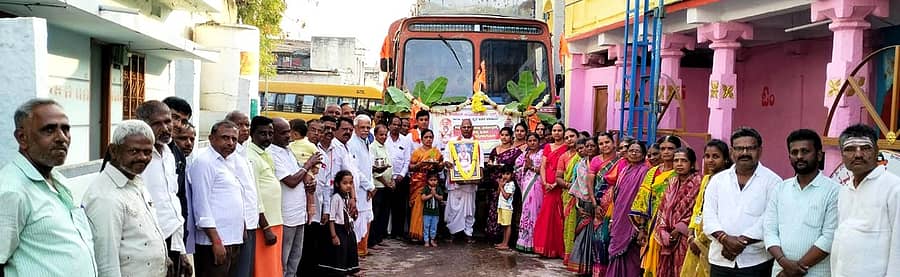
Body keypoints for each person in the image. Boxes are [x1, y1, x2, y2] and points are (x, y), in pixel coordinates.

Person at [1, 99, 97, 277]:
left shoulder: (58, 180)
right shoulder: (11, 190)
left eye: (66, 129)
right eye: (49, 129)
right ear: (22, 138)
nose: (62, 138)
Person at [83, 120, 168, 277]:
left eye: (148, 152)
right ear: (114, 151)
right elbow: (106, 263)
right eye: (134, 151)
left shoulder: (135, 181)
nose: (142, 157)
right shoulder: (105, 197)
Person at [703, 127, 781, 277]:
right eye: (739, 148)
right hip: (720, 260)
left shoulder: (773, 181)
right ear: (732, 152)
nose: (744, 153)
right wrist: (725, 239)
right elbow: (709, 215)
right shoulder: (718, 180)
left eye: (750, 148)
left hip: (756, 261)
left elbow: (770, 218)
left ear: (760, 150)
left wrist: (739, 243)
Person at [764, 129, 839, 277]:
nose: (799, 156)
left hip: (816, 272)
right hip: (780, 272)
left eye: (805, 151)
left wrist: (794, 270)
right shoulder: (780, 188)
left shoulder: (834, 191)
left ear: (818, 155)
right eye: (794, 152)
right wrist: (784, 264)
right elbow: (769, 230)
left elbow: (829, 237)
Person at [831, 124, 900, 276]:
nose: (858, 154)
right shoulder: (844, 190)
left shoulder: (894, 188)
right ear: (842, 155)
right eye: (850, 149)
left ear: (876, 152)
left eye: (865, 148)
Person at [135, 100, 190, 275]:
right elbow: (135, 207)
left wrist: (181, 251)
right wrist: (159, 251)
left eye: (168, 121)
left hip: (172, 240)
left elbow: (173, 203)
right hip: (146, 245)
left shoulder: (169, 154)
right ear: (143, 125)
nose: (166, 128)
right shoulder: (134, 157)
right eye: (157, 123)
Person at [190, 121, 248, 277]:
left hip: (232, 238)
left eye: (234, 139)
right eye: (225, 138)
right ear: (211, 138)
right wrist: (216, 241)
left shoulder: (229, 161)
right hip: (214, 242)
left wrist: (241, 225)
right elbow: (201, 205)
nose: (230, 143)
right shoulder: (205, 162)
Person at [269, 118, 321, 277]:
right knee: (283, 259)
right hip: (286, 215)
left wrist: (310, 183)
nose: (289, 135)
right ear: (273, 134)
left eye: (289, 131)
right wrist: (308, 164)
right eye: (284, 132)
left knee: (295, 257)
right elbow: (291, 181)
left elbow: (299, 175)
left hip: (299, 213)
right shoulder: (272, 153)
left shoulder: (288, 150)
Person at [680, 139, 733, 277]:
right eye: (707, 156)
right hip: (695, 236)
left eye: (715, 156)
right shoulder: (706, 179)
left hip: (712, 239)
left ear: (726, 159)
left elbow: (720, 215)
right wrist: (691, 233)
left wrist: (700, 240)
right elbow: (698, 208)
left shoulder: (727, 182)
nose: (710, 160)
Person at [631, 135, 682, 276]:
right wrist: (642, 228)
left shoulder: (680, 173)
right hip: (651, 226)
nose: (666, 152)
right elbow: (642, 200)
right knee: (650, 266)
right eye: (663, 148)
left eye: (670, 148)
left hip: (671, 228)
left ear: (678, 150)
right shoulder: (652, 172)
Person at [651, 147, 703, 277]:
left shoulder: (699, 183)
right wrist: (663, 231)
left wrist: (680, 228)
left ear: (691, 164)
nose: (679, 164)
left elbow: (699, 210)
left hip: (688, 237)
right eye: (676, 160)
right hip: (668, 237)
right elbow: (663, 209)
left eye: (683, 161)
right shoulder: (672, 183)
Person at [244, 116, 284, 277]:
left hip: (275, 220)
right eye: (262, 133)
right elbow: (255, 196)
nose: (267, 137)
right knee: (264, 269)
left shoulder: (265, 153)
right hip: (264, 225)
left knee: (273, 267)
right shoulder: (251, 157)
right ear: (252, 134)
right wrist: (266, 227)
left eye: (270, 133)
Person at [224, 113, 261, 277]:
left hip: (251, 221)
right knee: (238, 270)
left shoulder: (244, 152)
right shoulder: (229, 155)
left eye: (247, 125)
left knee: (246, 268)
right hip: (240, 223)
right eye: (241, 125)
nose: (245, 129)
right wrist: (242, 221)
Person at [606, 140, 650, 277]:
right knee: (616, 251)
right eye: (631, 150)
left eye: (637, 151)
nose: (634, 153)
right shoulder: (624, 170)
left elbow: (644, 198)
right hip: (619, 217)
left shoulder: (645, 171)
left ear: (643, 154)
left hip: (633, 220)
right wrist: (613, 218)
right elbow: (618, 196)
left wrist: (641, 224)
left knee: (631, 254)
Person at [442, 119, 484, 243]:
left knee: (469, 209)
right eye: (464, 127)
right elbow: (446, 158)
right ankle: (453, 232)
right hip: (456, 183)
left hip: (469, 183)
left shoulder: (476, 144)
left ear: (472, 128)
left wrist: (480, 174)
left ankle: (468, 233)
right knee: (453, 208)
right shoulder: (452, 143)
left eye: (468, 127)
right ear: (460, 128)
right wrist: (447, 163)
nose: (466, 129)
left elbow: (480, 161)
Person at [533, 122, 569, 258]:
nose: (557, 133)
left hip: (559, 185)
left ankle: (557, 249)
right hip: (546, 185)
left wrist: (555, 183)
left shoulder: (566, 148)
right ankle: (544, 247)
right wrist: (545, 182)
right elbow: (543, 166)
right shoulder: (548, 147)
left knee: (558, 215)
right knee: (546, 214)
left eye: (559, 130)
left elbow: (566, 167)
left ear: (563, 132)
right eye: (554, 130)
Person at [566, 137, 600, 275]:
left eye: (593, 145)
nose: (590, 148)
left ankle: (594, 266)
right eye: (587, 146)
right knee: (582, 234)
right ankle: (581, 265)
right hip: (583, 202)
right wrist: (578, 202)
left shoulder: (601, 164)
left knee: (595, 235)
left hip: (598, 202)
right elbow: (578, 184)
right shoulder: (580, 164)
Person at [486, 127, 523, 244]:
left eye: (507, 135)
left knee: (507, 212)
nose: (504, 137)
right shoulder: (495, 150)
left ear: (511, 137)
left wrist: (507, 179)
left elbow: (518, 168)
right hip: (495, 185)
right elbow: (490, 166)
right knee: (495, 210)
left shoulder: (516, 152)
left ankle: (507, 239)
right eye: (502, 135)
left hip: (508, 186)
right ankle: (494, 236)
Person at [319, 170, 360, 276]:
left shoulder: (347, 197)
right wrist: (333, 236)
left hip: (347, 228)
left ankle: (349, 270)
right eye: (345, 183)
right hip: (338, 229)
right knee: (340, 252)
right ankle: (339, 271)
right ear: (337, 184)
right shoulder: (336, 198)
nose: (348, 186)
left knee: (349, 249)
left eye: (350, 183)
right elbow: (332, 219)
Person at [408, 129, 443, 242]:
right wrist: (420, 164)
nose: (428, 139)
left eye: (430, 137)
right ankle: (417, 234)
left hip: (431, 182)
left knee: (431, 208)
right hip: (418, 182)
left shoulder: (434, 152)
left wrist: (438, 165)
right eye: (426, 137)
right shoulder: (417, 152)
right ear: (422, 139)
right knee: (418, 207)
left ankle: (430, 235)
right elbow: (411, 167)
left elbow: (439, 166)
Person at [349, 115, 376, 257]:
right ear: (355, 128)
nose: (366, 130)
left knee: (366, 218)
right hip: (358, 189)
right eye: (362, 127)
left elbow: (367, 167)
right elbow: (355, 170)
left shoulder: (366, 142)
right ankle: (356, 251)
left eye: (368, 127)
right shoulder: (352, 144)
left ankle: (362, 250)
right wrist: (369, 186)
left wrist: (370, 186)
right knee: (358, 221)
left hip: (367, 189)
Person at [556, 128, 581, 262]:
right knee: (569, 225)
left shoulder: (583, 154)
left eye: (572, 136)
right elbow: (558, 177)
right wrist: (569, 185)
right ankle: (569, 255)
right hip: (569, 194)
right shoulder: (564, 157)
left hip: (583, 195)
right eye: (566, 137)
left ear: (578, 137)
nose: (569, 139)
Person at [516, 133, 544, 252]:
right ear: (527, 142)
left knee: (536, 211)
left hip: (537, 185)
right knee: (526, 211)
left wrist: (531, 166)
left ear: (539, 141)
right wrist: (524, 168)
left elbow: (544, 170)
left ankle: (535, 243)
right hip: (526, 185)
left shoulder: (542, 154)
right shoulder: (524, 155)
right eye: (530, 140)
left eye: (534, 140)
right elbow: (517, 169)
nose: (532, 143)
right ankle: (524, 242)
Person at [385, 116, 413, 240]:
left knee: (400, 207)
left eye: (398, 125)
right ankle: (383, 232)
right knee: (385, 206)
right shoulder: (384, 138)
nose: (396, 127)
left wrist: (402, 174)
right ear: (389, 125)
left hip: (401, 178)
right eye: (394, 124)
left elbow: (407, 160)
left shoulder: (405, 140)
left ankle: (398, 233)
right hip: (385, 178)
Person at [369, 124, 393, 247]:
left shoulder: (385, 147)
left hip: (387, 186)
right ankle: (372, 239)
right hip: (378, 185)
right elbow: (374, 170)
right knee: (376, 213)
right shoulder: (372, 147)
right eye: (381, 134)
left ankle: (379, 237)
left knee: (384, 213)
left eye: (385, 134)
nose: (384, 137)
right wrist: (386, 182)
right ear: (375, 134)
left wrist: (391, 180)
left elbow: (389, 165)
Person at [494, 164, 516, 250]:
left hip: (507, 207)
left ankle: (506, 243)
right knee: (504, 226)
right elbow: (498, 193)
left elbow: (506, 196)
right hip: (502, 206)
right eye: (503, 174)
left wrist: (501, 187)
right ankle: (503, 242)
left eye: (507, 174)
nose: (505, 176)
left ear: (511, 175)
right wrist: (500, 186)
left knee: (507, 225)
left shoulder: (511, 184)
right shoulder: (504, 183)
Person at [422, 173, 445, 247]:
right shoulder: (426, 188)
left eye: (435, 180)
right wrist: (431, 195)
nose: (433, 182)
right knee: (426, 226)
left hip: (435, 213)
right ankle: (426, 240)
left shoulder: (438, 188)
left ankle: (432, 240)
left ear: (437, 181)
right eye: (431, 180)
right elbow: (423, 198)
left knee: (434, 227)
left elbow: (441, 198)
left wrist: (435, 195)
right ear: (428, 180)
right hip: (427, 212)